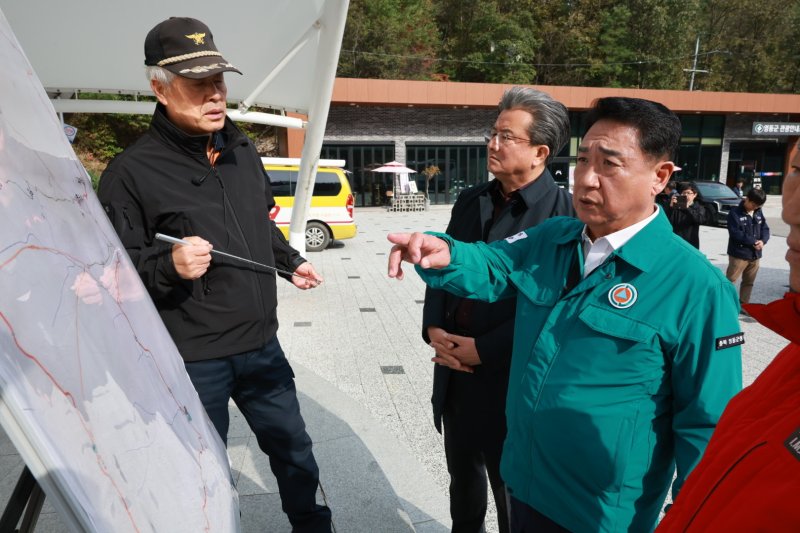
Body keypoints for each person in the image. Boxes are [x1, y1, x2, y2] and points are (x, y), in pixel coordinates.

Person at [387, 97, 742, 532]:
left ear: (660, 177)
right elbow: (495, 264)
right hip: (524, 483)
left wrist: (694, 520)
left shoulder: (696, 288)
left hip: (600, 515)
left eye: (609, 164)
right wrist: (447, 253)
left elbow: (709, 428)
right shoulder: (556, 237)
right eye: (583, 160)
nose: (587, 180)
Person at [97, 17, 331, 531]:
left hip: (262, 347)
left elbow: (259, 228)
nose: (215, 95)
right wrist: (168, 266)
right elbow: (108, 275)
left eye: (219, 82)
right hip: (191, 358)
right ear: (159, 88)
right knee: (202, 472)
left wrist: (292, 262)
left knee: (296, 452)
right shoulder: (129, 173)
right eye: (198, 84)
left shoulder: (242, 150)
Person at [424, 87, 574, 533]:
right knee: (462, 489)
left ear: (540, 152)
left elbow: (553, 309)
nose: (493, 143)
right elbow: (445, 269)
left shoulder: (562, 217)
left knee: (513, 497)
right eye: (493, 133)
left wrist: (483, 350)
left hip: (510, 381)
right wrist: (435, 329)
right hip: (453, 372)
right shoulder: (472, 200)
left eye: (506, 137)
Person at [657, 146, 800, 530]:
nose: (792, 209)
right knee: (732, 283)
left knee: (739, 289)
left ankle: (742, 306)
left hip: (721, 256)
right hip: (730, 253)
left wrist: (760, 239)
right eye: (797, 170)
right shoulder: (788, 365)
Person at [725, 187, 770, 305]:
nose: (756, 208)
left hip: (755, 255)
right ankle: (725, 303)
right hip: (739, 255)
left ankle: (744, 304)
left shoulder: (758, 211)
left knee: (749, 282)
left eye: (759, 206)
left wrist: (763, 241)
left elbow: (765, 228)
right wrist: (753, 241)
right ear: (747, 199)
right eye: (754, 205)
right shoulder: (735, 213)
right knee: (730, 281)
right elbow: (735, 233)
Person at [664, 182, 707, 248]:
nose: (686, 195)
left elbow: (700, 220)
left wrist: (687, 208)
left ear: (694, 195)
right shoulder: (676, 206)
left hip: (690, 243)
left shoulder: (699, 207)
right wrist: (670, 207)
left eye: (688, 193)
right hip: (676, 242)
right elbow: (666, 221)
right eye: (683, 193)